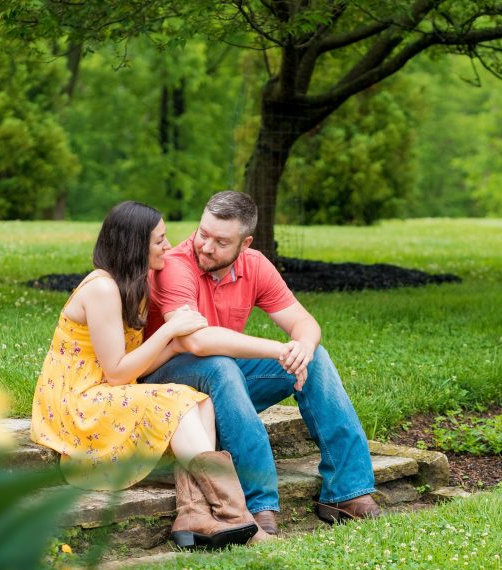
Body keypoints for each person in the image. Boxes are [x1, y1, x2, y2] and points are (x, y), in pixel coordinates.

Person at [30, 200, 268, 549]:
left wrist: (173, 345)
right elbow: (116, 373)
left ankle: (193, 515)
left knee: (199, 401)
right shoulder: (102, 288)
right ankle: (237, 516)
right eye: (159, 240)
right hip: (77, 402)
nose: (169, 247)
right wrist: (168, 334)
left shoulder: (134, 286)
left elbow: (130, 367)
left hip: (105, 391)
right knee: (178, 403)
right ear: (136, 245)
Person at [142, 190, 382, 535]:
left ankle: (347, 492)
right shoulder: (176, 266)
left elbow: (305, 324)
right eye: (202, 233)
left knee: (315, 359)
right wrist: (276, 348)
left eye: (221, 241)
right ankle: (258, 503)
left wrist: (302, 346)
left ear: (245, 243)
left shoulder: (254, 265)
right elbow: (195, 340)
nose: (206, 247)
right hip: (165, 382)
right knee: (221, 365)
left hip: (223, 381)